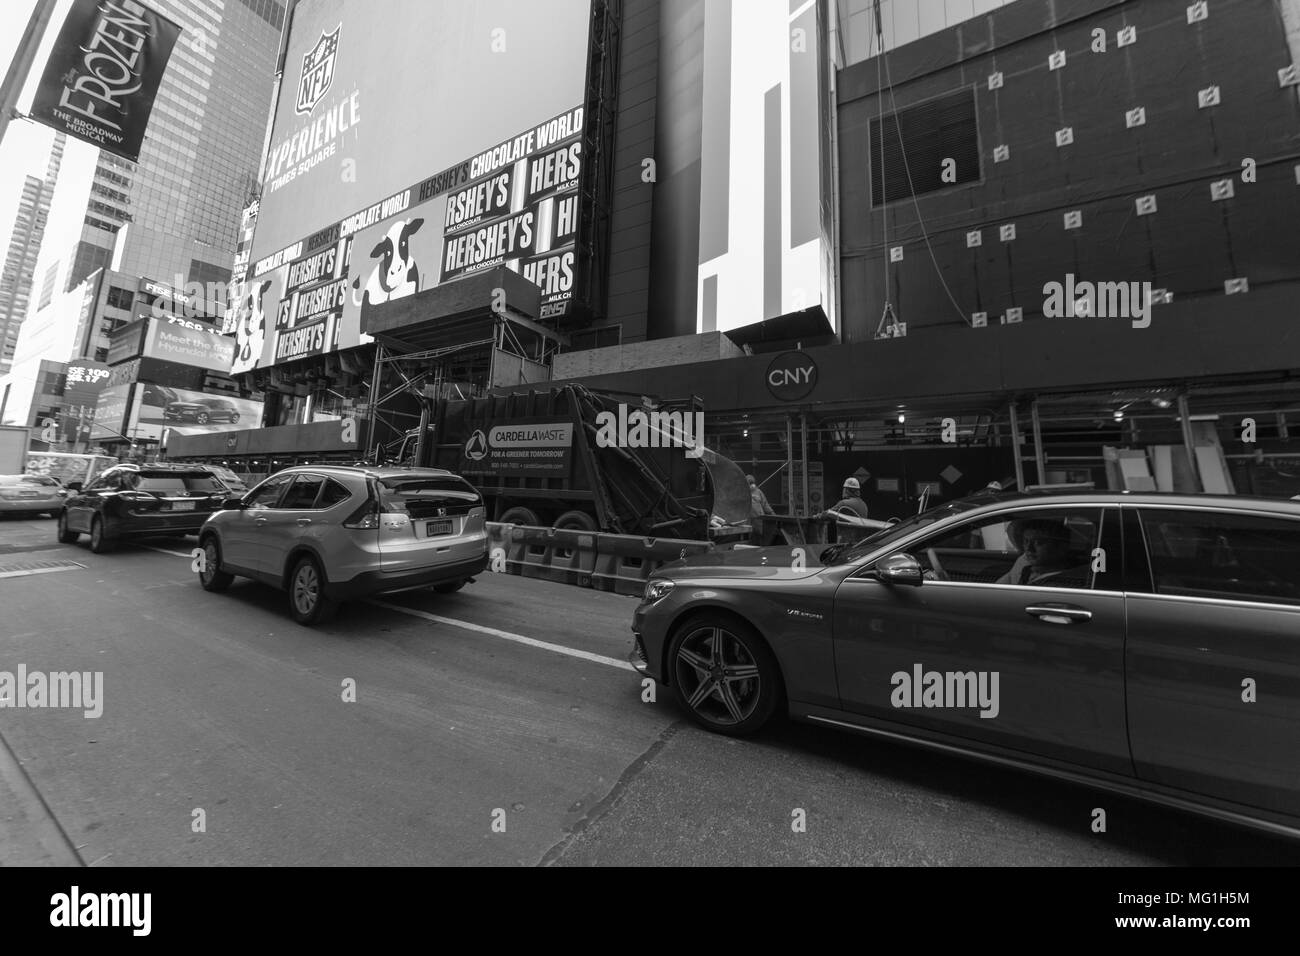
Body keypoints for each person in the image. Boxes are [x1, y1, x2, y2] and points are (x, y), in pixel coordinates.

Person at [996, 518, 1088, 586]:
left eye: (1039, 543)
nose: (1029, 549)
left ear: (1061, 547)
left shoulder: (1065, 582)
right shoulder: (1025, 567)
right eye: (1026, 541)